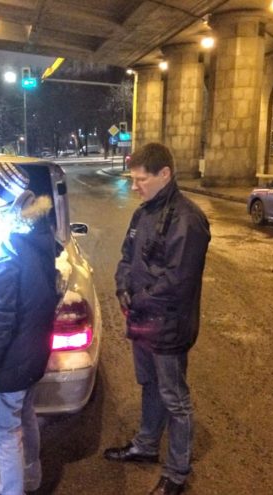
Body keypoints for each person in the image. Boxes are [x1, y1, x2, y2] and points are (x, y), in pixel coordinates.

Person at [102, 143, 210, 495]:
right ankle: (146, 445)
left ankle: (177, 474)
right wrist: (122, 287)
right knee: (149, 385)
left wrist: (139, 300)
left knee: (175, 399)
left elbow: (178, 281)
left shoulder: (187, 219)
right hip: (143, 320)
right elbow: (127, 256)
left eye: (140, 180)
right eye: (132, 179)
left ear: (165, 174)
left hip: (168, 325)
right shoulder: (144, 213)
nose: (134, 186)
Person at [0, 162, 59, 495]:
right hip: (33, 351)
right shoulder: (33, 229)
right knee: (25, 415)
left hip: (10, 359)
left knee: (5, 434)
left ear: (2, 196)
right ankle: (31, 478)